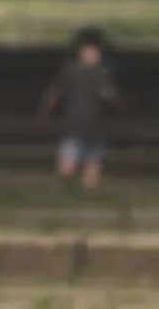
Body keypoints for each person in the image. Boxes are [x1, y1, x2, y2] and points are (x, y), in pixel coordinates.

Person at [39, 27, 123, 190]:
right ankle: (63, 190)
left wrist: (113, 101)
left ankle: (87, 192)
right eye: (88, 51)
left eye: (95, 52)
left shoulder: (103, 74)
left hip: (95, 127)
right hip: (74, 125)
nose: (92, 55)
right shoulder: (72, 71)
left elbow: (113, 97)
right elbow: (56, 91)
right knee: (67, 165)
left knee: (92, 164)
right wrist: (46, 110)